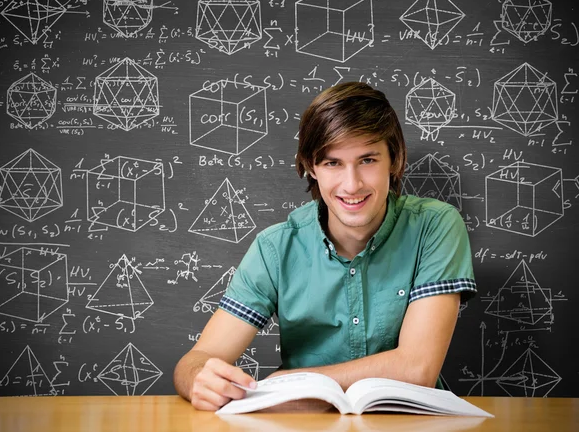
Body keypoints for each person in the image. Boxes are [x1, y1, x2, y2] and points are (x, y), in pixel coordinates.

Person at [174, 81, 477, 411]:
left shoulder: (435, 226)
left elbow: (417, 368)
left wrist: (290, 381)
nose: (352, 184)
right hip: (303, 422)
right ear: (311, 167)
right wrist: (198, 380)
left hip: (410, 422)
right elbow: (196, 360)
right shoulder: (274, 248)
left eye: (367, 160)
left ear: (394, 158)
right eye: (333, 163)